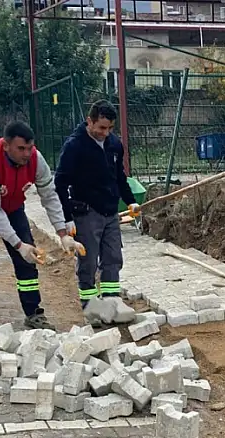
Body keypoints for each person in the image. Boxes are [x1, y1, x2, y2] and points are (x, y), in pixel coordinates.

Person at [0, 121, 81, 330]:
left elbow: (49, 196)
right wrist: (18, 245)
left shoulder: (36, 160)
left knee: (28, 260)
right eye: (21, 148)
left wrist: (62, 233)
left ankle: (33, 313)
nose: (26, 154)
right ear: (6, 146)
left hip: (13, 207)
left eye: (30, 148)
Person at [54, 100, 140, 321]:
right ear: (89, 121)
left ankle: (112, 303)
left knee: (113, 257)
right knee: (88, 260)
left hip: (110, 211)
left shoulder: (114, 145)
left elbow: (119, 177)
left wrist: (130, 201)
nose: (106, 133)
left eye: (110, 128)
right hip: (85, 212)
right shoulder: (75, 146)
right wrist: (66, 219)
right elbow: (61, 182)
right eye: (101, 127)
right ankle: (91, 307)